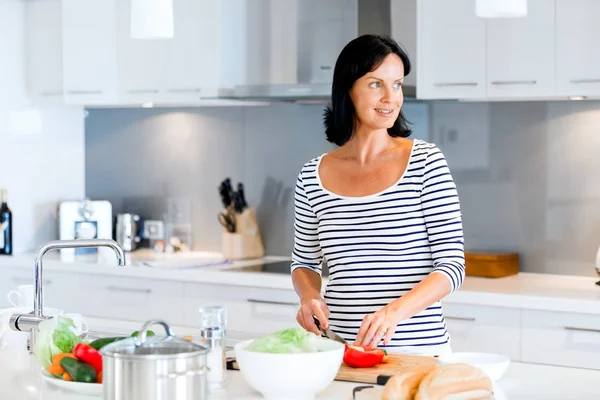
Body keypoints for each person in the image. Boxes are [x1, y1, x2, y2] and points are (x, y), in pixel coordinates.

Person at [290, 34, 465, 357]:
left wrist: (393, 313)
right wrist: (308, 296)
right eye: (375, 84)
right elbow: (303, 261)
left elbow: (452, 266)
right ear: (348, 89)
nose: (390, 97)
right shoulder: (312, 176)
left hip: (417, 354)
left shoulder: (425, 162)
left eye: (396, 84)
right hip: (339, 352)